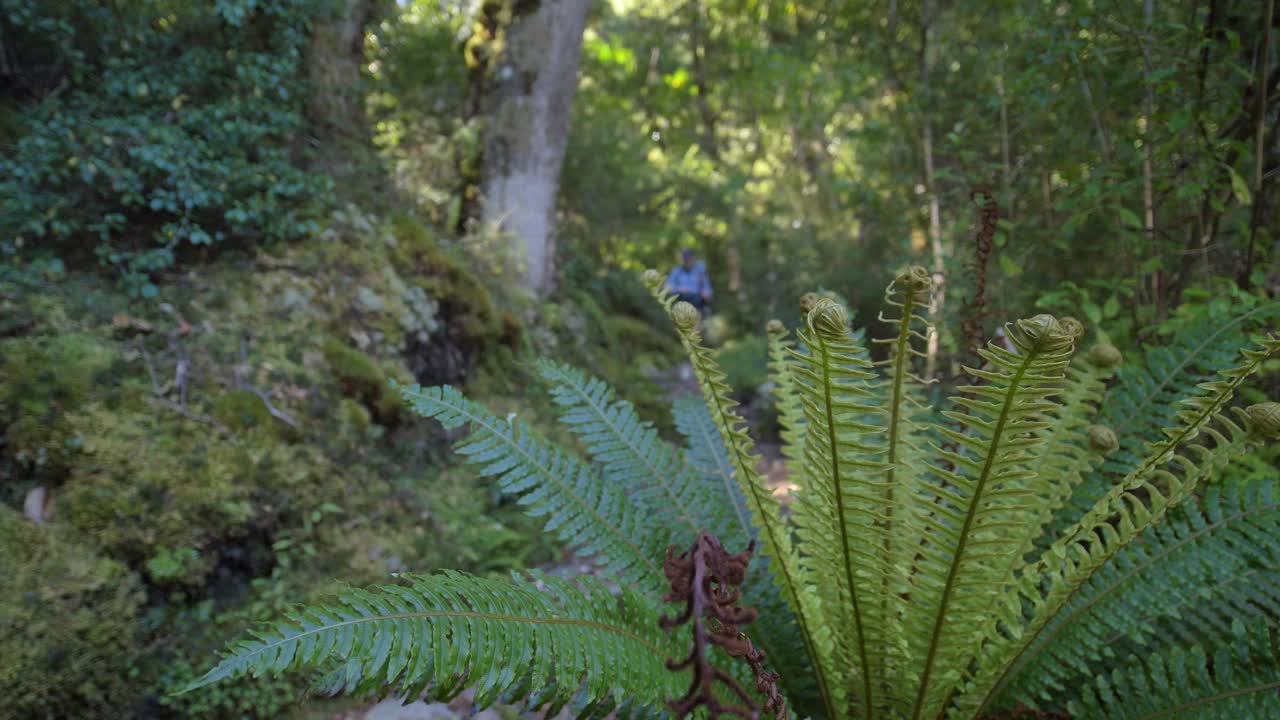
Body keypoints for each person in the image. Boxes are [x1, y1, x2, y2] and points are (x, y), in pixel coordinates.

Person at [665, 249, 713, 313]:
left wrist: (706, 292)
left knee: (698, 304)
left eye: (689, 259)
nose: (688, 262)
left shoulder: (700, 270)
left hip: (697, 300)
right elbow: (667, 287)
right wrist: (678, 289)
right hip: (682, 300)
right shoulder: (677, 271)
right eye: (685, 260)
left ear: (693, 259)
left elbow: (707, 287)